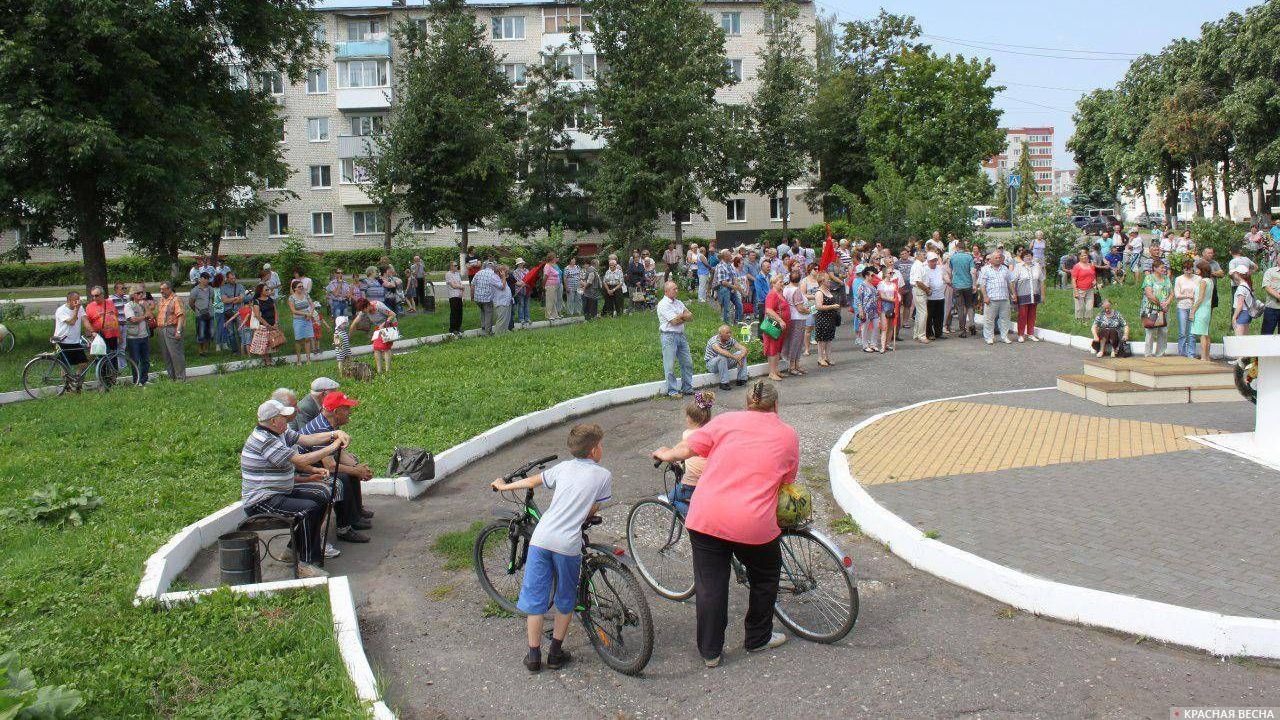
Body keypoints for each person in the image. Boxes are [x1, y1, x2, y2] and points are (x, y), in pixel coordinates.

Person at [651, 380, 797, 667]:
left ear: (747, 403)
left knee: (710, 585)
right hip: (753, 525)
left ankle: (711, 653)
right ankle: (757, 638)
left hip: (706, 517)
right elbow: (788, 479)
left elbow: (686, 448)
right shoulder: (788, 435)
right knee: (766, 575)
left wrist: (665, 453)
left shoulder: (725, 421)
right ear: (776, 405)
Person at [491, 424, 612, 672]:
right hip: (567, 545)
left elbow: (534, 480)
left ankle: (533, 656)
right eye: (600, 445)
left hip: (541, 538)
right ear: (592, 451)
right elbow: (593, 509)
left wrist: (503, 486)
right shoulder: (603, 476)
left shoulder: (563, 468)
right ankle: (555, 654)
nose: (602, 449)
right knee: (566, 599)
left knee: (536, 598)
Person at [241, 399, 350, 578]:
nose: (288, 418)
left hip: (280, 491)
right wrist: (333, 446)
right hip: (262, 500)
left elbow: (306, 439)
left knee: (322, 498)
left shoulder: (279, 432)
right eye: (284, 416)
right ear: (273, 421)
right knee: (309, 509)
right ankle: (306, 563)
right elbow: (300, 460)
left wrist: (334, 433)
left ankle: (293, 551)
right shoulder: (265, 439)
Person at [301, 391, 374, 544]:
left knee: (351, 472)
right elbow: (331, 466)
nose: (350, 412)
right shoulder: (321, 429)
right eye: (346, 408)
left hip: (318, 465)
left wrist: (357, 468)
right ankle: (343, 528)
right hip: (305, 470)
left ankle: (354, 516)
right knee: (342, 479)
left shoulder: (330, 425)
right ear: (336, 412)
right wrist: (356, 471)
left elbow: (339, 452)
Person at [656, 281, 694, 397]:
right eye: (674, 289)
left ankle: (687, 388)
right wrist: (683, 316)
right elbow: (674, 321)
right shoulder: (663, 304)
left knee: (687, 363)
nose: (676, 291)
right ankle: (672, 391)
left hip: (681, 335)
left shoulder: (679, 303)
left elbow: (691, 316)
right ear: (666, 291)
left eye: (677, 288)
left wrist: (680, 317)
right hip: (669, 336)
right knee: (670, 365)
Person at [52, 291, 94, 377]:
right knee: (65, 366)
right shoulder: (61, 310)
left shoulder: (80, 308)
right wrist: (76, 309)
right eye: (76, 300)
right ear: (69, 300)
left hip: (75, 341)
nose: (78, 302)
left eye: (79, 299)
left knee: (84, 363)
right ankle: (67, 387)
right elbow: (72, 322)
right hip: (63, 341)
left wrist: (93, 332)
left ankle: (77, 380)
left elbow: (85, 320)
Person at [977, 250, 1014, 345]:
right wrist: (985, 297)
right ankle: (989, 337)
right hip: (991, 299)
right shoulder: (985, 269)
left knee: (1005, 319)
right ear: (991, 259)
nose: (998, 259)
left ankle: (1004, 336)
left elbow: (1010, 282)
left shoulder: (1005, 269)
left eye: (999, 258)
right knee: (989, 320)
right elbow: (982, 285)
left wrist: (1013, 294)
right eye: (996, 258)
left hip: (1004, 298)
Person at [1140, 260, 1173, 357]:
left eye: (1164, 267)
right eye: (1162, 267)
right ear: (1155, 268)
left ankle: (1160, 353)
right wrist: (1160, 305)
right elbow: (1149, 294)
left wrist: (1167, 303)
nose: (1164, 269)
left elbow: (1171, 293)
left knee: (1163, 331)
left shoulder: (1166, 278)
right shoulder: (1149, 278)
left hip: (1164, 309)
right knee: (1150, 331)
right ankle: (1148, 354)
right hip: (1151, 309)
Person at [155, 282, 186, 381]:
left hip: (171, 329)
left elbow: (180, 316)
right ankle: (171, 377)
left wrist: (178, 331)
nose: (161, 291)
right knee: (166, 354)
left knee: (175, 354)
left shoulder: (175, 299)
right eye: (160, 289)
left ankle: (180, 378)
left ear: (169, 289)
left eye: (163, 289)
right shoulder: (161, 300)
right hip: (161, 329)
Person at [1010, 249, 1042, 343]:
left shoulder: (1037, 266)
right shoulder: (1019, 267)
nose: (1028, 257)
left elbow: (1041, 280)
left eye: (1030, 255)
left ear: (1032, 256)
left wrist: (1042, 295)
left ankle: (1031, 334)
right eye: (1026, 256)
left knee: (1032, 315)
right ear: (1022, 258)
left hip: (1034, 294)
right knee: (1022, 316)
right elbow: (1012, 281)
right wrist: (1014, 294)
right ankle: (1021, 334)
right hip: (1022, 295)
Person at [762, 275, 790, 381]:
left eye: (782, 282)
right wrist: (780, 320)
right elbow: (769, 310)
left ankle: (776, 370)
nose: (782, 283)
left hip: (780, 326)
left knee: (777, 349)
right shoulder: (772, 294)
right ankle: (772, 372)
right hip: (774, 325)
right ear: (773, 283)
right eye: (780, 282)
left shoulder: (780, 293)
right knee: (773, 349)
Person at [781, 269, 810, 373]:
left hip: (789, 317)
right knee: (796, 342)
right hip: (798, 318)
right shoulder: (796, 290)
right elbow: (800, 308)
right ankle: (793, 365)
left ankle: (796, 364)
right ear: (800, 279)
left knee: (791, 340)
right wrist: (808, 310)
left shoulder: (785, 289)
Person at [122, 285, 151, 385]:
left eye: (142, 293)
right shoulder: (128, 306)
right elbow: (132, 319)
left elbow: (150, 316)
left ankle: (144, 380)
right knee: (135, 360)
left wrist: (146, 307)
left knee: (146, 360)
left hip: (145, 335)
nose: (141, 295)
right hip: (133, 337)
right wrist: (144, 317)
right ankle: (136, 381)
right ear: (133, 295)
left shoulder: (143, 304)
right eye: (138, 293)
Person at [705, 324, 749, 390]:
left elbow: (744, 348)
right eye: (727, 333)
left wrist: (740, 356)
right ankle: (724, 383)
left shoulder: (730, 340)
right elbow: (720, 351)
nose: (729, 334)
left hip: (724, 363)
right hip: (712, 365)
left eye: (730, 332)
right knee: (722, 356)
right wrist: (735, 357)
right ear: (720, 334)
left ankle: (741, 379)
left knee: (741, 353)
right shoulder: (713, 341)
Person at [84, 285, 121, 361]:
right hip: (100, 335)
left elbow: (116, 318)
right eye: (93, 296)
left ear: (102, 294)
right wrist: (92, 333)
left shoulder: (110, 302)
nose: (94, 298)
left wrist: (119, 335)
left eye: (96, 296)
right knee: (102, 358)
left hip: (113, 335)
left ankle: (114, 372)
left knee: (113, 357)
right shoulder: (90, 307)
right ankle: (102, 372)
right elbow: (87, 322)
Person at [248, 283, 281, 366]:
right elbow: (257, 315)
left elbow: (275, 311)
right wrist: (267, 325)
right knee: (264, 345)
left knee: (271, 343)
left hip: (273, 324)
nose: (268, 291)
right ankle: (267, 362)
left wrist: (276, 323)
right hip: (263, 325)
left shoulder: (270, 299)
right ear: (261, 291)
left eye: (268, 289)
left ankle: (269, 360)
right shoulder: (256, 301)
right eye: (266, 290)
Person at [287, 280, 318, 366]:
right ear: (294, 289)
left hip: (307, 319)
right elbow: (293, 310)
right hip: (298, 320)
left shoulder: (306, 295)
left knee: (307, 339)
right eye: (299, 287)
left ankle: (308, 359)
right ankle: (299, 360)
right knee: (299, 340)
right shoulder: (291, 298)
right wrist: (305, 314)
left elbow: (312, 305)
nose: (301, 288)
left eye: (302, 286)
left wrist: (310, 314)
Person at [1173, 260, 1201, 358]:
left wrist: (1190, 296)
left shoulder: (1198, 278)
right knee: (1182, 332)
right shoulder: (1179, 279)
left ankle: (1191, 353)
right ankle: (1182, 353)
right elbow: (1177, 295)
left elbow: (1199, 294)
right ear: (1183, 269)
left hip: (1194, 307)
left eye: (1190, 270)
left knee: (1192, 332)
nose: (1188, 272)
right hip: (1182, 306)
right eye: (1186, 270)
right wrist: (1188, 295)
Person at [948, 241, 976, 337]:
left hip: (957, 285)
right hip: (968, 284)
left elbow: (951, 271)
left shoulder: (953, 257)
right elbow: (973, 272)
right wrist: (974, 284)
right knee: (969, 305)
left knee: (960, 308)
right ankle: (972, 323)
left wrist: (951, 281)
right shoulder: (969, 257)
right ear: (965, 247)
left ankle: (962, 330)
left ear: (957, 248)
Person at [813, 272, 842, 365]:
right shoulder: (819, 292)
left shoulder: (828, 291)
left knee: (829, 339)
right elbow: (819, 307)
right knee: (822, 340)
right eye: (827, 279)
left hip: (830, 319)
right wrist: (832, 306)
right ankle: (820, 358)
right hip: (822, 319)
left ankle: (828, 357)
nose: (829, 281)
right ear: (822, 281)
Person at [1191, 261, 1214, 361]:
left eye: (1198, 268)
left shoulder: (1203, 281)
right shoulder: (1210, 281)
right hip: (1207, 308)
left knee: (1202, 334)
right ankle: (1207, 356)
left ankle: (1203, 357)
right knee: (1206, 333)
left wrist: (1193, 311)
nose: (1196, 270)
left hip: (1201, 309)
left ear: (1202, 270)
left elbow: (1200, 298)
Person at [472, 261, 502, 335]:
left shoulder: (478, 273)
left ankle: (483, 326)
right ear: (493, 267)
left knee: (482, 311)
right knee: (488, 313)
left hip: (477, 298)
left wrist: (472, 296)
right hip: (487, 298)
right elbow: (498, 286)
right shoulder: (493, 274)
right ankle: (488, 332)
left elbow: (472, 285)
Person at [219, 272, 246, 356]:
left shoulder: (240, 286)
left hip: (239, 312)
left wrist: (230, 299)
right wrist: (235, 298)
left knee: (241, 332)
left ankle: (243, 350)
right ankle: (235, 351)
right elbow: (224, 300)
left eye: (234, 278)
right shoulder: (223, 288)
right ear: (227, 279)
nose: (233, 280)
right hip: (228, 312)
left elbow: (241, 299)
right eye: (231, 278)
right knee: (231, 333)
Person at [923, 252, 946, 341]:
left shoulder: (939, 268)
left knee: (939, 316)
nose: (934, 263)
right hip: (930, 297)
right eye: (932, 261)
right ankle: (929, 333)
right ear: (928, 261)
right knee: (929, 316)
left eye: (935, 261)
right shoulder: (925, 269)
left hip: (940, 296)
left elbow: (943, 277)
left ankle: (939, 333)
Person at [1070, 249, 1097, 321]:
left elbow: (1093, 275)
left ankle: (1087, 321)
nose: (1084, 257)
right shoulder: (1076, 266)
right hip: (1079, 290)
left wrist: (1094, 281)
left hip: (1090, 289)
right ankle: (1079, 321)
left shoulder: (1091, 265)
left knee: (1089, 307)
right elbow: (1073, 280)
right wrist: (1075, 292)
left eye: (1085, 255)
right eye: (1082, 256)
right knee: (1080, 308)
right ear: (1079, 257)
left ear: (1087, 255)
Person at [1232, 272, 1260, 336]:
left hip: (1242, 313)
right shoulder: (1247, 285)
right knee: (1245, 337)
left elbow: (1240, 305)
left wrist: (1234, 317)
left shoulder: (1241, 288)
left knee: (1239, 338)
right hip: (1247, 313)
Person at [444, 262, 465, 335]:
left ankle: (458, 327)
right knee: (454, 312)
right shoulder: (448, 274)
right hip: (453, 296)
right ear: (451, 267)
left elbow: (460, 283)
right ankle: (452, 328)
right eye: (455, 266)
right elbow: (453, 285)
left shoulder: (457, 274)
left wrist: (462, 293)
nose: (457, 267)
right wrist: (461, 287)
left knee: (460, 312)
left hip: (459, 295)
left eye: (457, 266)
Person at [493, 265, 514, 336]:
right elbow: (502, 287)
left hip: (506, 302)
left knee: (506, 320)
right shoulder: (495, 278)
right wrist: (503, 277)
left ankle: (503, 333)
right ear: (501, 271)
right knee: (501, 320)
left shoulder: (501, 278)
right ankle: (498, 335)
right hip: (501, 302)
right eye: (506, 271)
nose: (507, 273)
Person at [1263, 257, 1280, 336]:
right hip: (1271, 309)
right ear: (1277, 259)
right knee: (1266, 335)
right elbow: (1267, 287)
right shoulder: (1270, 272)